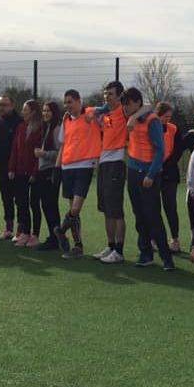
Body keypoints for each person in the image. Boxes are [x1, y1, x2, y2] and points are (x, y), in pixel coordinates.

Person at [121, 87, 175, 270]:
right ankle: (146, 253)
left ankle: (166, 257)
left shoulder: (152, 120)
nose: (125, 108)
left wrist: (151, 174)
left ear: (137, 102)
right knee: (139, 216)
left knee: (153, 216)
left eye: (128, 104)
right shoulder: (131, 117)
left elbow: (161, 150)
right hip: (133, 171)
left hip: (148, 174)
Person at [54, 89, 101, 258]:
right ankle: (78, 246)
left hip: (85, 165)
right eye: (65, 102)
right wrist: (57, 168)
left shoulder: (91, 113)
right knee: (73, 210)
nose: (67, 105)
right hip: (67, 167)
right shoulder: (66, 119)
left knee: (75, 207)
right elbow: (63, 145)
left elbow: (108, 111)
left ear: (79, 101)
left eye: (70, 102)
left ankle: (60, 230)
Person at [89, 81, 129, 264]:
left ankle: (119, 251)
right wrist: (99, 110)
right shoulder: (106, 114)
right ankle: (111, 246)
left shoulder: (123, 111)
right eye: (105, 93)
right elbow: (90, 112)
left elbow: (145, 107)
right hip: (104, 164)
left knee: (116, 210)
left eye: (111, 94)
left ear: (120, 96)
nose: (107, 97)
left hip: (116, 163)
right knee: (106, 209)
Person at [9, 100, 44, 247]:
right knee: (21, 203)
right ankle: (24, 232)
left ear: (33, 112)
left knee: (34, 204)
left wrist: (35, 172)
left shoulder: (41, 128)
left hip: (34, 173)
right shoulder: (20, 127)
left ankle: (35, 235)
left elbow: (38, 154)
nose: (23, 112)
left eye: (25, 110)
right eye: (23, 110)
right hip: (19, 172)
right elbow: (15, 150)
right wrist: (11, 168)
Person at [33, 100, 63, 251]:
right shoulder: (47, 127)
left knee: (50, 205)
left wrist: (43, 153)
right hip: (44, 170)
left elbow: (60, 153)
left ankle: (56, 238)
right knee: (46, 205)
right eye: (44, 111)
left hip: (52, 171)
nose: (45, 113)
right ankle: (54, 237)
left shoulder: (57, 129)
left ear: (54, 113)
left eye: (48, 111)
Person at [156, 102, 184, 253]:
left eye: (169, 117)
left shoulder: (174, 129)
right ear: (158, 114)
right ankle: (155, 239)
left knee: (170, 207)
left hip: (169, 173)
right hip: (153, 172)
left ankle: (175, 239)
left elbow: (178, 150)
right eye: (165, 116)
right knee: (153, 208)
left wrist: (166, 165)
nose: (168, 119)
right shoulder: (151, 127)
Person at [0, 95, 21, 239]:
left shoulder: (20, 122)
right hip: (2, 167)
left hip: (18, 169)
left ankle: (21, 230)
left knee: (20, 200)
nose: (1, 107)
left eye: (4, 104)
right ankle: (9, 228)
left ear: (12, 105)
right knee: (6, 198)